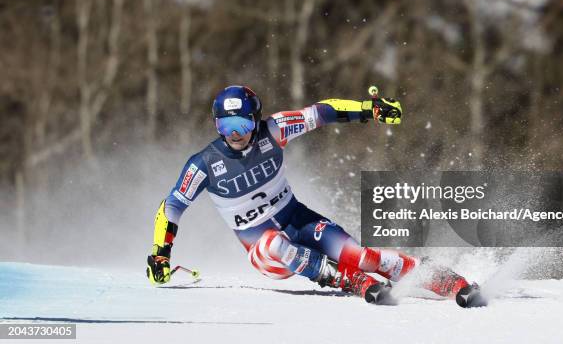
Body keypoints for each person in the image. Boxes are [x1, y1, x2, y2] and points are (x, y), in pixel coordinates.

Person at [146, 85, 481, 305]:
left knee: (361, 255)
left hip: (299, 219)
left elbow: (321, 112)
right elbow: (172, 206)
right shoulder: (204, 163)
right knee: (273, 244)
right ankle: (345, 280)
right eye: (226, 127)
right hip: (265, 252)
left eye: (243, 125)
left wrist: (369, 109)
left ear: (256, 120)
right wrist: (161, 254)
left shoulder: (273, 130)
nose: (236, 135)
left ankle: (447, 281)